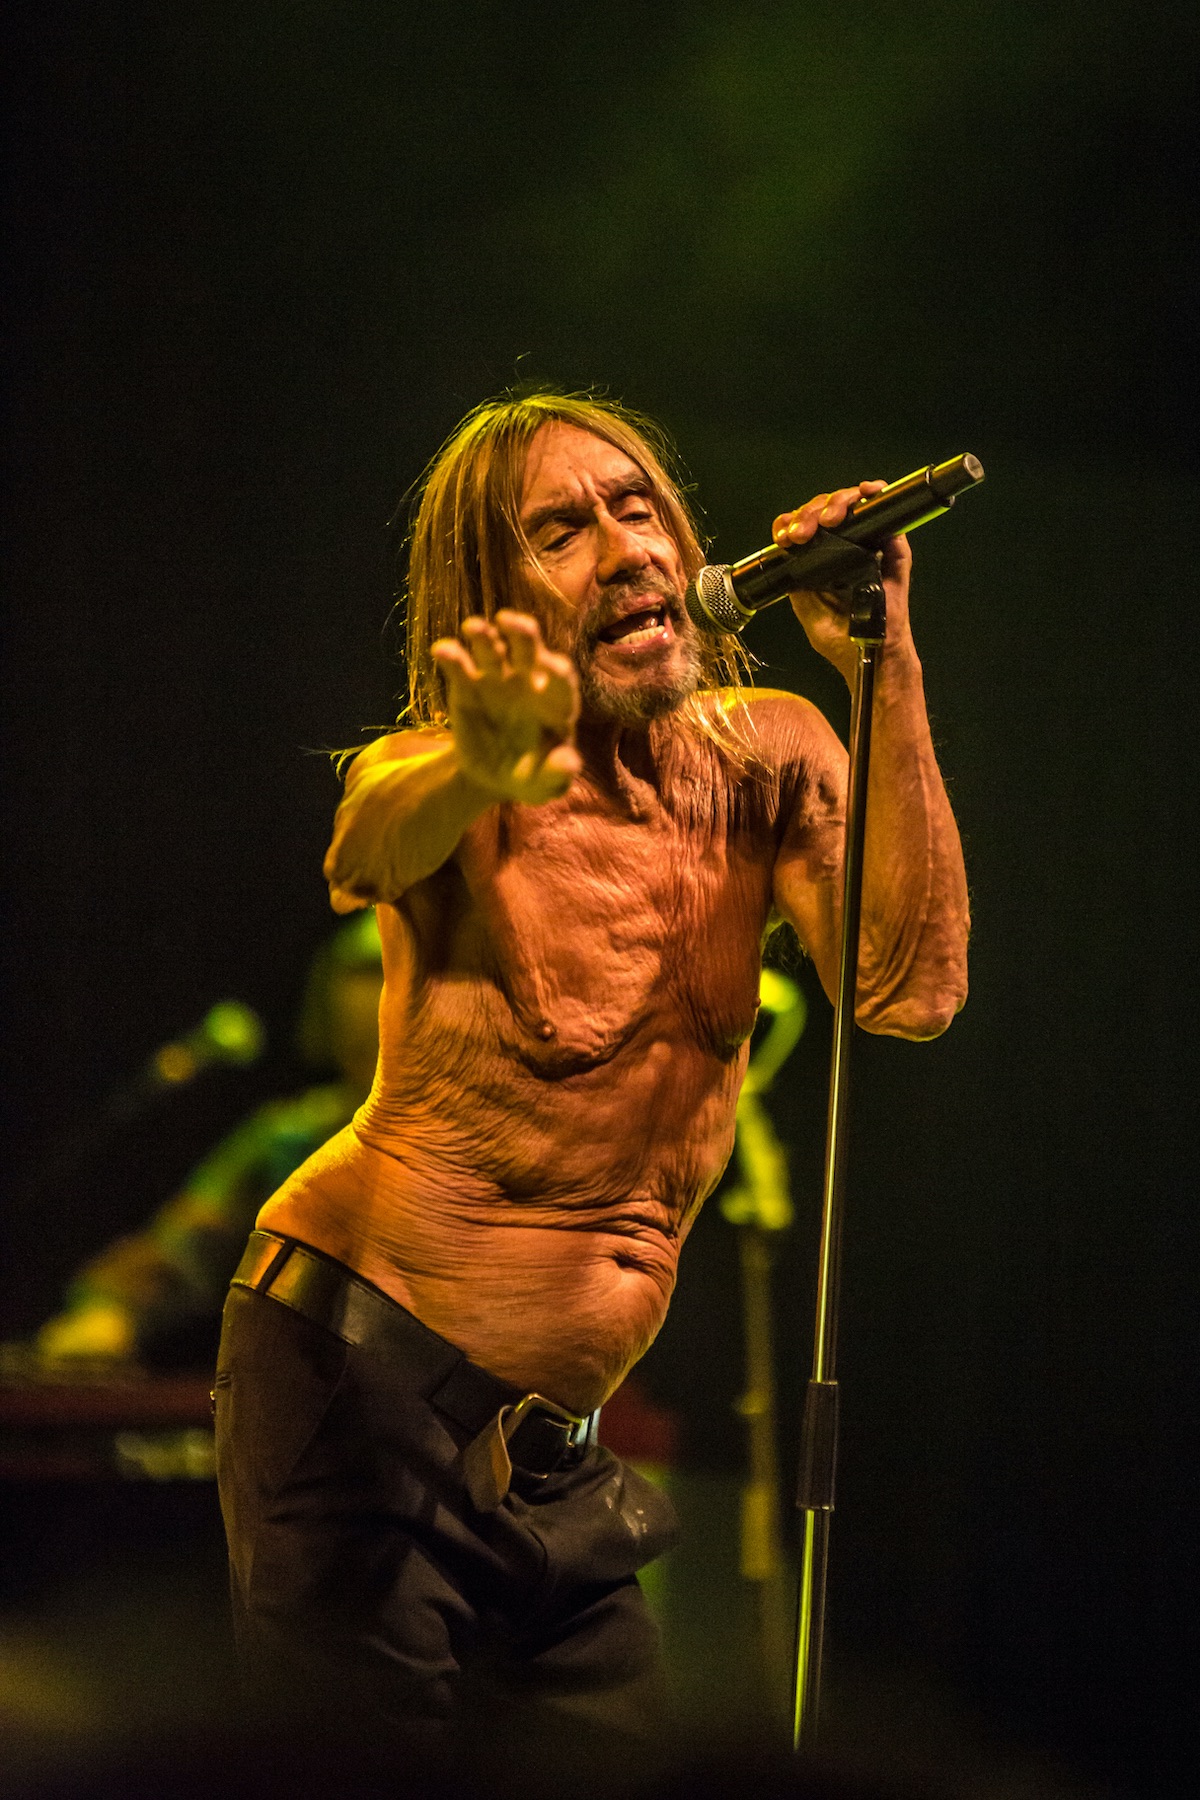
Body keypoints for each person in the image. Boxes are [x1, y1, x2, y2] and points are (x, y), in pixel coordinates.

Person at [214, 392, 969, 1769]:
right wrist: (480, 757)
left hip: (552, 1454)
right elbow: (365, 850)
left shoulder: (771, 758)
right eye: (560, 532)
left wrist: (884, 662)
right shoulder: (445, 775)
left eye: (639, 510)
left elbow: (906, 990)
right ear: (492, 598)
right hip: (360, 1389)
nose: (626, 550)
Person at [33, 913, 384, 1368]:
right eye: (358, 976)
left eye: (388, 973)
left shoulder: (471, 1140)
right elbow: (183, 1247)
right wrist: (113, 1311)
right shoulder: (290, 1138)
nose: (370, 999)